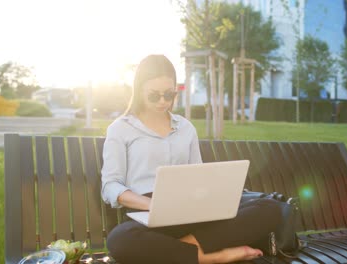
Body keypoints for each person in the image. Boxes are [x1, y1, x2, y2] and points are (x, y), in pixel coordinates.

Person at [101, 54, 282, 264]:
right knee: (120, 240)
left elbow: (198, 175)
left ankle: (182, 253)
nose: (163, 101)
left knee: (270, 209)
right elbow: (110, 185)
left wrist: (211, 197)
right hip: (146, 217)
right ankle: (212, 256)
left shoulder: (185, 128)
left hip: (190, 214)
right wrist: (152, 204)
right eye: (154, 95)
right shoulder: (121, 129)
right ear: (139, 90)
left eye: (168, 94)